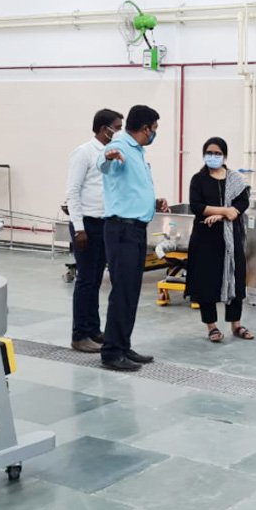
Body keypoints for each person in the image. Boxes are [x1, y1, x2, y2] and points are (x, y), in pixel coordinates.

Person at [96, 104, 162, 371]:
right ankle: (111, 352)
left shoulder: (137, 151)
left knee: (131, 291)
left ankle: (123, 345)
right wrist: (109, 157)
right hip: (122, 229)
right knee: (122, 291)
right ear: (145, 128)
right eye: (154, 129)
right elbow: (105, 164)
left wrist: (153, 201)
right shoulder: (120, 145)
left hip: (135, 228)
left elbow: (132, 188)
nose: (154, 134)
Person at [185, 137, 254, 343]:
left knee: (235, 277)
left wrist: (223, 215)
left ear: (225, 156)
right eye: (209, 153)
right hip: (205, 238)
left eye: (217, 153)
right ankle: (212, 326)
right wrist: (224, 211)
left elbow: (242, 203)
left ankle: (236, 324)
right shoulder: (198, 179)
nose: (213, 156)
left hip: (231, 238)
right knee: (206, 281)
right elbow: (197, 206)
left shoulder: (236, 179)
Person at [66, 108, 123, 353]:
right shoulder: (84, 152)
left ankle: (93, 329)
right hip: (86, 225)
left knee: (96, 279)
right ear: (103, 128)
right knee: (86, 280)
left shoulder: (112, 154)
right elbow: (73, 191)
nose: (119, 132)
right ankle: (79, 335)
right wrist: (79, 228)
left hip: (104, 223)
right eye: (117, 128)